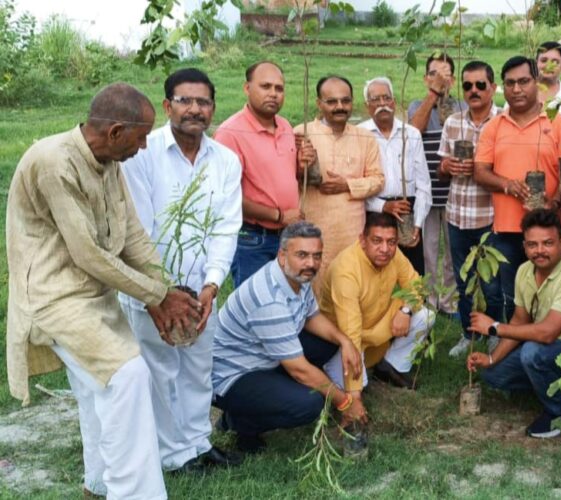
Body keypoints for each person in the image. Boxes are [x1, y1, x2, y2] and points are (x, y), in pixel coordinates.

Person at [6, 83, 201, 499]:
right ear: (115, 132)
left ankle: (99, 485)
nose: (145, 145)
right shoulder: (54, 162)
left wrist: (161, 291)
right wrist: (156, 297)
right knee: (127, 376)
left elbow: (131, 233)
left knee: (102, 389)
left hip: (93, 296)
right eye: (142, 135)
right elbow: (88, 255)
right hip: (53, 298)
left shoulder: (110, 161)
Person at [119, 69, 243, 473]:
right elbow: (138, 230)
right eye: (185, 100)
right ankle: (172, 454)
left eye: (203, 102)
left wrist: (211, 285)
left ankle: (196, 442)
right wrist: (161, 292)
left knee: (197, 368)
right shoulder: (142, 153)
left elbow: (226, 226)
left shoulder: (224, 160)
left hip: (200, 290)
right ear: (167, 105)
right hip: (154, 290)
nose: (194, 109)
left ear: (213, 108)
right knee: (159, 372)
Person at [212, 222, 367, 453]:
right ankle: (239, 422)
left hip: (265, 356)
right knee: (310, 403)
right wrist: (345, 402)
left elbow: (311, 316)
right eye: (302, 255)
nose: (311, 263)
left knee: (329, 342)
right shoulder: (270, 298)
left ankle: (267, 396)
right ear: (282, 255)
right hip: (234, 375)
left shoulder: (297, 277)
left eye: (316, 256)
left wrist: (345, 341)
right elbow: (299, 370)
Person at [467, 209, 561, 438]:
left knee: (532, 352)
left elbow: (546, 334)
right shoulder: (525, 271)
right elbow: (519, 320)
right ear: (524, 246)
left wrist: (494, 327)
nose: (540, 251)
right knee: (493, 375)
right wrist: (492, 358)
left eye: (548, 243)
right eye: (533, 245)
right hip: (552, 353)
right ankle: (559, 389)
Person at [474, 56, 561, 324]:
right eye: (510, 83)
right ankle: (515, 353)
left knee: (552, 294)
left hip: (548, 229)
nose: (517, 89)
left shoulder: (557, 123)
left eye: (523, 81)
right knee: (514, 296)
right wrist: (507, 185)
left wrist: (554, 204)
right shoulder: (495, 126)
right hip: (507, 230)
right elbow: (480, 172)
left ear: (537, 83)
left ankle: (546, 351)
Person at [215, 61, 316, 286]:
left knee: (291, 299)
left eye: (279, 89)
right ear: (247, 88)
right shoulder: (230, 133)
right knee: (256, 306)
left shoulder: (285, 126)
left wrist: (303, 164)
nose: (273, 94)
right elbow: (227, 198)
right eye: (265, 86)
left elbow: (286, 176)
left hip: (287, 235)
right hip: (252, 238)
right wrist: (279, 215)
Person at [321, 212, 435, 395]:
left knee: (425, 315)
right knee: (357, 387)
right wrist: (354, 396)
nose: (385, 249)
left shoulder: (393, 253)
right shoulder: (346, 271)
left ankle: (389, 367)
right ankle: (340, 372)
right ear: (362, 240)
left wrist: (405, 310)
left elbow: (417, 285)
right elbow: (350, 332)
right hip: (341, 342)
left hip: (376, 326)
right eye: (377, 241)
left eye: (391, 242)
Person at [436, 60, 503, 357]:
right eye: (467, 85)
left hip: (489, 216)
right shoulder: (453, 122)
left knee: (491, 282)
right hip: (458, 215)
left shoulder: (503, 122)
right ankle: (467, 334)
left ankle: (494, 333)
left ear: (493, 87)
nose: (473, 91)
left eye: (480, 85)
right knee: (464, 282)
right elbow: (441, 169)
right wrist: (447, 166)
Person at [295, 75, 385, 294]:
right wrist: (301, 167)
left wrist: (346, 185)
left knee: (347, 288)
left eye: (345, 101)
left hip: (350, 233)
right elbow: (287, 178)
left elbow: (378, 180)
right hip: (312, 229)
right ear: (319, 103)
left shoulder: (365, 137)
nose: (340, 107)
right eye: (332, 102)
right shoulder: (300, 134)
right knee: (310, 288)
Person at [408, 52, 464, 314]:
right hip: (427, 193)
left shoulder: (462, 109)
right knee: (429, 251)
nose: (440, 80)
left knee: (453, 254)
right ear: (425, 79)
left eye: (445, 75)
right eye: (434, 74)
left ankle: (450, 302)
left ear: (453, 80)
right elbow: (413, 132)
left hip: (456, 193)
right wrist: (432, 95)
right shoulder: (417, 106)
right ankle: (429, 302)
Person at [359, 76, 432, 274]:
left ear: (394, 102)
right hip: (374, 212)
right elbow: (356, 186)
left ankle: (413, 306)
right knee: (375, 272)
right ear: (367, 106)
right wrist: (384, 206)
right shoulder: (359, 134)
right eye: (375, 100)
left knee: (411, 275)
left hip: (407, 212)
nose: (382, 104)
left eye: (386, 98)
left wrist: (417, 224)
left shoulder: (411, 134)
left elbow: (424, 185)